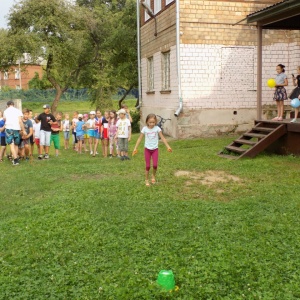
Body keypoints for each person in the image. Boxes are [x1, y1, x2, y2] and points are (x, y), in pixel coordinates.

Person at [133, 113, 172, 186]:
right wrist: (135, 148)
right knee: (147, 166)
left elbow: (163, 138)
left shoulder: (157, 128)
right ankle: (146, 180)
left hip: (155, 150)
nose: (152, 124)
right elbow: (140, 138)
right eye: (150, 122)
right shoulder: (145, 129)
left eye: (153, 122)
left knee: (155, 165)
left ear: (155, 122)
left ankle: (153, 176)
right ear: (147, 122)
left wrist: (168, 146)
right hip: (147, 149)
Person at [3, 101, 25, 166]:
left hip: (9, 129)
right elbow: (20, 121)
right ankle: (16, 158)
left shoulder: (5, 111)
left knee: (11, 145)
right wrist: (23, 130)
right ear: (13, 105)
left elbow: (4, 119)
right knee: (16, 144)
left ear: (7, 105)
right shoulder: (18, 111)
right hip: (16, 129)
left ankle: (15, 160)